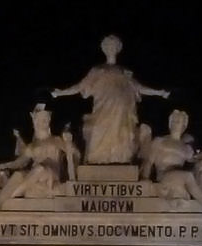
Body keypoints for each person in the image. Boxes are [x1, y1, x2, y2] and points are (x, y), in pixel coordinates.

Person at [50, 34, 169, 164]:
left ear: (118, 49)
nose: (110, 48)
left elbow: (139, 87)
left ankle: (120, 159)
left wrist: (159, 92)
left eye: (113, 45)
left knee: (122, 132)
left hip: (123, 108)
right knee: (99, 129)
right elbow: (80, 86)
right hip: (103, 106)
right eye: (107, 45)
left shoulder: (125, 72)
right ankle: (98, 159)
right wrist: (61, 92)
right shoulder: (98, 70)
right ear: (104, 48)